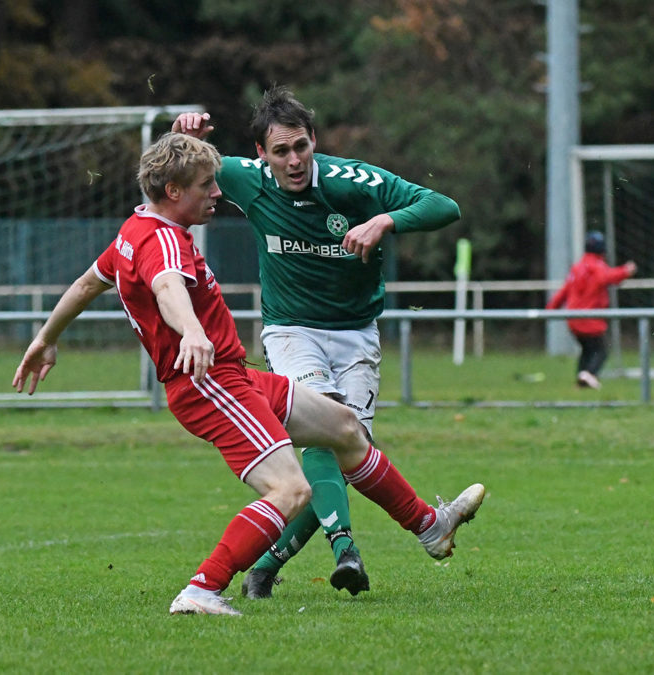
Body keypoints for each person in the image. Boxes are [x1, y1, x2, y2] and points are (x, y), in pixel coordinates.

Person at [12, 132, 485, 616]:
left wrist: (46, 338)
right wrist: (193, 332)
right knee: (290, 490)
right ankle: (201, 589)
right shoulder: (163, 241)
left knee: (344, 427)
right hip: (207, 384)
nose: (218, 193)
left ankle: (431, 526)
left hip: (232, 377)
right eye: (205, 186)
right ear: (173, 192)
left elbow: (89, 281)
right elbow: (168, 286)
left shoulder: (133, 232)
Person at [172, 87, 462, 600]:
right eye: (280, 151)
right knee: (326, 427)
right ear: (260, 154)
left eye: (301, 147)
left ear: (314, 141)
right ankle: (345, 549)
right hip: (291, 331)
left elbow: (444, 205)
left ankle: (264, 566)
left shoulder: (352, 182)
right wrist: (183, 135)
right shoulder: (244, 179)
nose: (294, 160)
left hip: (356, 334)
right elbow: (176, 180)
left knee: (350, 451)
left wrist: (384, 220)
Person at [545, 230, 636, 390]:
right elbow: (606, 277)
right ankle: (589, 375)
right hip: (589, 319)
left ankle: (581, 381)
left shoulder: (577, 267)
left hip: (573, 319)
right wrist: (625, 271)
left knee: (587, 350)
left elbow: (564, 291)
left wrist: (550, 309)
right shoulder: (597, 265)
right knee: (601, 351)